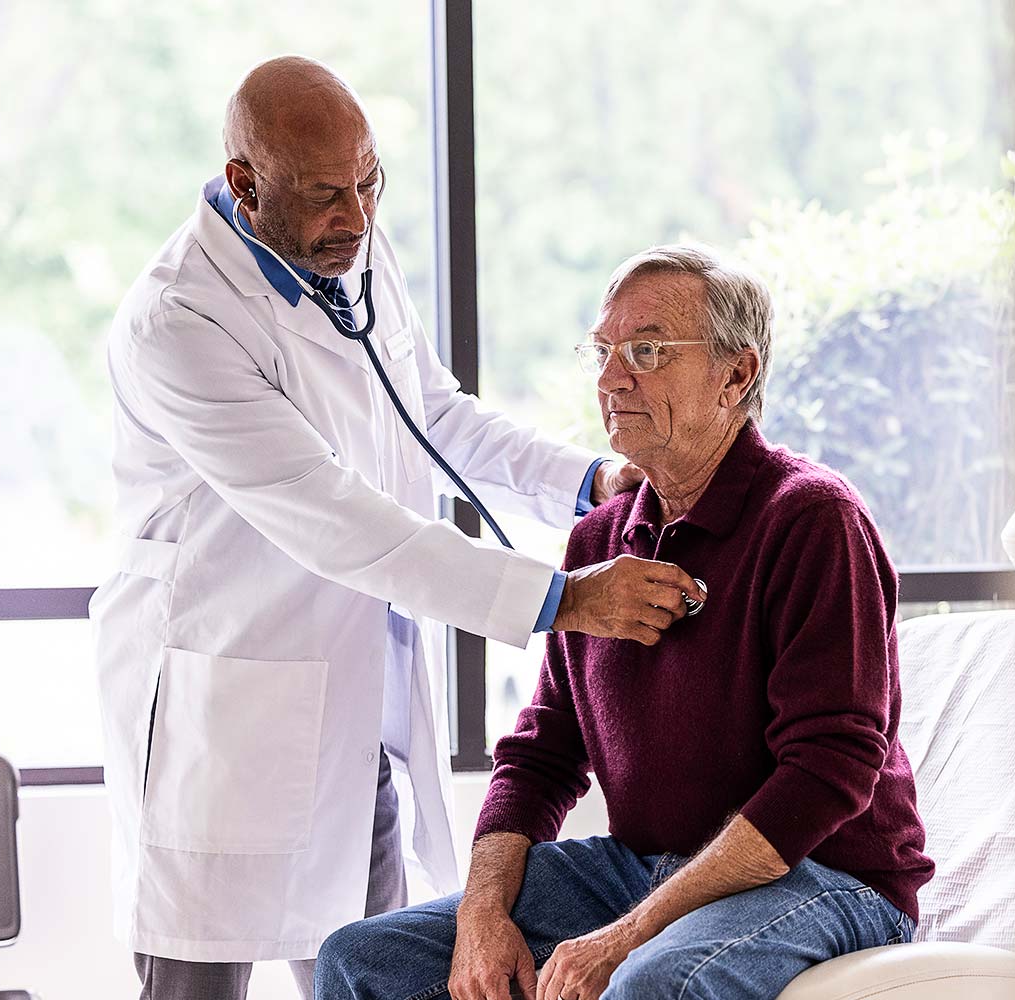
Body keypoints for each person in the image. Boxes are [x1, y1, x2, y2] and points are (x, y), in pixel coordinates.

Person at [90, 58, 704, 1000]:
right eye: (326, 195)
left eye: (371, 182)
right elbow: (332, 515)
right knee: (197, 984)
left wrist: (588, 482)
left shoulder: (351, 250)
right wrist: (562, 599)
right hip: (221, 701)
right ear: (246, 184)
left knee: (366, 967)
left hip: (352, 699)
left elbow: (432, 414)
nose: (358, 216)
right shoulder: (178, 320)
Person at [316, 245, 935, 1000]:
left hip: (826, 876)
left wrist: (628, 934)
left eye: (647, 351)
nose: (612, 378)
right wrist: (481, 914)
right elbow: (541, 755)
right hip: (642, 868)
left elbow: (827, 772)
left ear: (736, 376)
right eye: (603, 351)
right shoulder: (598, 543)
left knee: (654, 982)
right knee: (362, 959)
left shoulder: (813, 520)